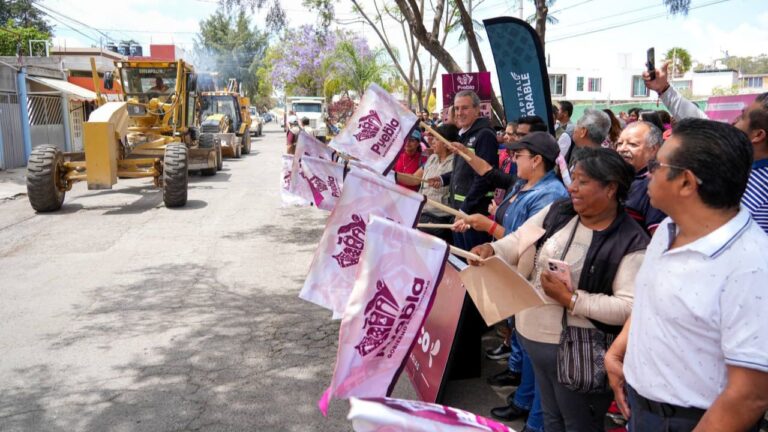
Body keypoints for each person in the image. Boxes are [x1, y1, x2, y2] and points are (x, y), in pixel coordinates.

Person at [606, 118, 768, 432]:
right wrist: (618, 351)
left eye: (656, 165)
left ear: (686, 182)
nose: (647, 172)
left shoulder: (751, 266)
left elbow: (749, 396)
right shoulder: (667, 228)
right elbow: (651, 300)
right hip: (641, 409)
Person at [470, 147, 648, 432]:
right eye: (573, 179)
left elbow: (629, 308)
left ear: (611, 188)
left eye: (582, 182)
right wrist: (492, 249)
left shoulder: (630, 241)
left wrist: (572, 299)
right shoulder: (560, 211)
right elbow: (519, 239)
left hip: (578, 355)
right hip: (534, 343)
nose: (572, 188)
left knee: (577, 425)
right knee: (552, 420)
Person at [454, 133, 568, 432]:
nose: (513, 159)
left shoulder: (551, 195)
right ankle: (523, 400)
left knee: (538, 355)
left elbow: (528, 242)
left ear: (537, 160)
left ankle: (536, 419)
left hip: (532, 281)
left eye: (518, 155)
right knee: (524, 343)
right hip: (512, 272)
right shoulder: (522, 184)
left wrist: (489, 226)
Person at [645, 62, 768, 233]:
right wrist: (664, 89)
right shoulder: (730, 158)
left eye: (741, 117)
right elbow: (700, 120)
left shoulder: (762, 198)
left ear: (758, 135)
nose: (733, 121)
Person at [427, 90, 499, 251]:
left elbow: (485, 177)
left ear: (477, 109)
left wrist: (463, 210)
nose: (459, 113)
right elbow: (463, 170)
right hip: (460, 211)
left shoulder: (484, 135)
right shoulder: (464, 135)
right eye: (457, 108)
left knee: (474, 260)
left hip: (475, 214)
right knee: (461, 260)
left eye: (465, 108)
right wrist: (443, 179)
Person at [398, 125, 456, 245]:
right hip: (422, 212)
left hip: (440, 217)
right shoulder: (432, 158)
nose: (432, 141)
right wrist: (391, 175)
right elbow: (414, 179)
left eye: (437, 139)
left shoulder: (457, 162)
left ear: (447, 143)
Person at [615, 121, 667, 234]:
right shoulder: (617, 177)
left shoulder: (655, 185)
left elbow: (659, 238)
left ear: (654, 149)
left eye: (632, 144)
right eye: (619, 143)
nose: (622, 149)